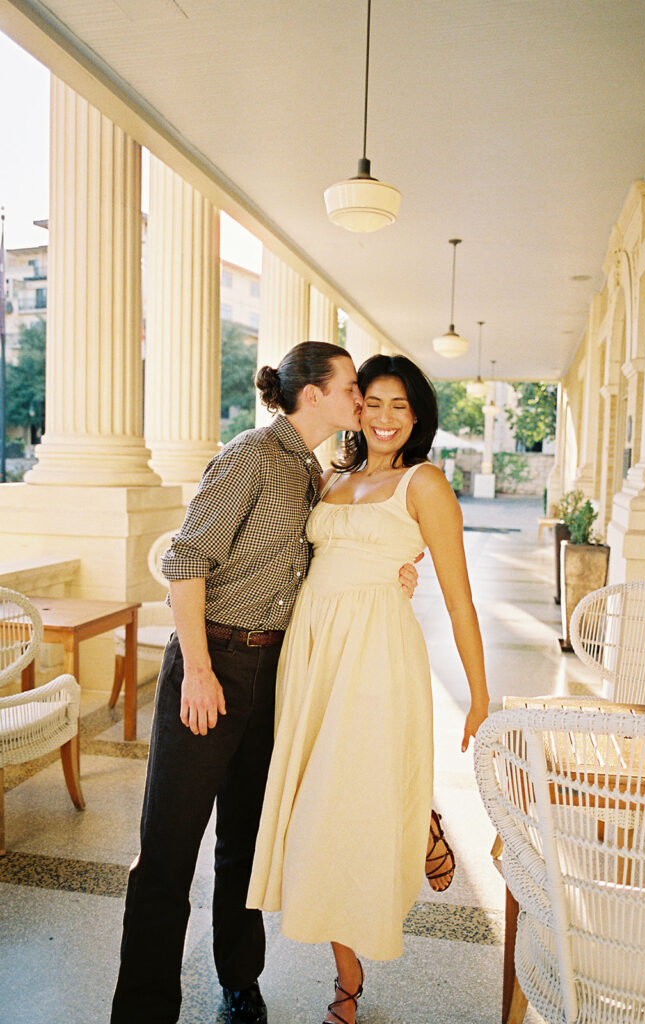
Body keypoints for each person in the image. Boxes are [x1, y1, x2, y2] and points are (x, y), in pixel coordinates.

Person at [110, 341, 419, 1024]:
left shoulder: (317, 474)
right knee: (167, 852)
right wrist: (196, 671)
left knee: (244, 845)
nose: (360, 404)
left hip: (276, 673)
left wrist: (397, 574)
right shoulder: (250, 455)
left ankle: (240, 983)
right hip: (211, 664)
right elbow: (186, 562)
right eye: (351, 391)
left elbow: (334, 556)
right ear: (315, 395)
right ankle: (142, 1011)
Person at [247, 354, 489, 1024]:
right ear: (356, 408)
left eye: (399, 406)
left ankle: (348, 986)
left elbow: (462, 600)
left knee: (346, 806)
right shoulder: (329, 476)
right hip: (313, 654)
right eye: (373, 402)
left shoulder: (426, 484)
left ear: (418, 418)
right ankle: (419, 837)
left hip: (379, 656)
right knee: (322, 813)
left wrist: (480, 694)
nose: (383, 417)